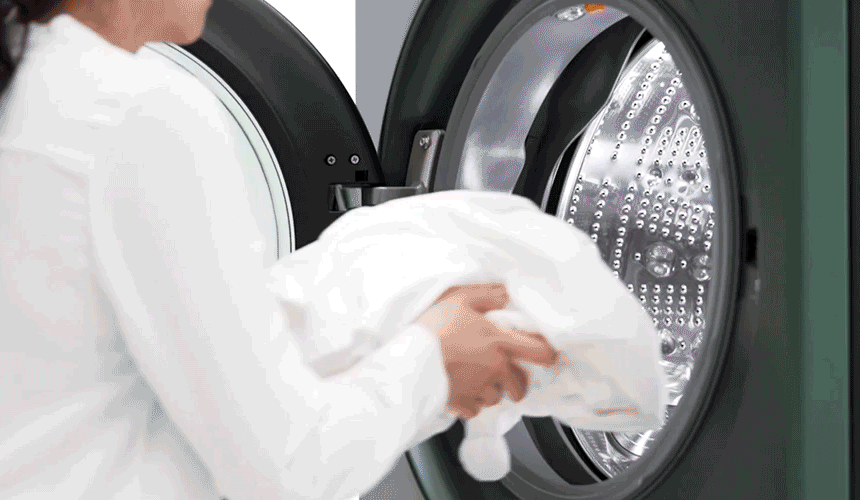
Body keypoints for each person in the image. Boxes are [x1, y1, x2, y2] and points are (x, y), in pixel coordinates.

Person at [0, 0, 559, 499]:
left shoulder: (33, 87)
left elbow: (94, 389)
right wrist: (433, 360)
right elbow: (286, 470)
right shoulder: (141, 112)